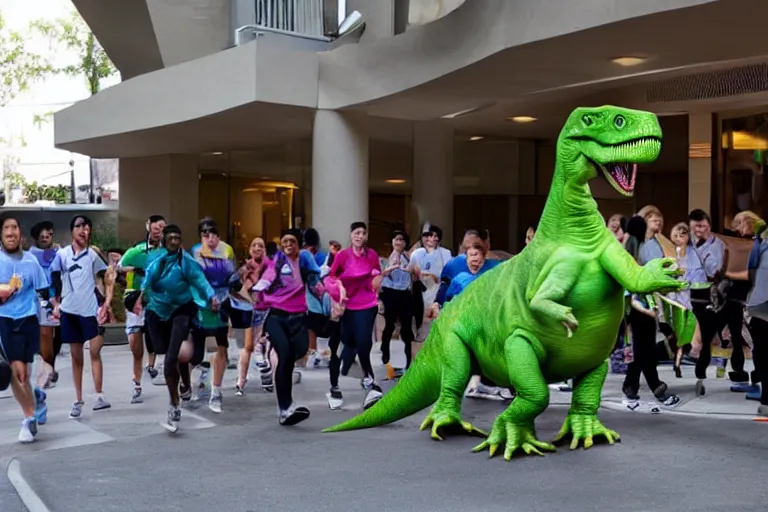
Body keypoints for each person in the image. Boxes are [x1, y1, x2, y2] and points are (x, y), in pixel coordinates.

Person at [140, 224, 217, 432]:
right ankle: (180, 385)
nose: (175, 241)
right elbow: (147, 280)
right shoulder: (157, 259)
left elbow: (200, 281)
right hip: (157, 311)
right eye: (171, 238)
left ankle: (174, 404)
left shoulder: (187, 262)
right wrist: (140, 297)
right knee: (161, 349)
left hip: (181, 311)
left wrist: (212, 296)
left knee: (170, 359)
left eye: (178, 237)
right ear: (164, 240)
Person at [253, 229, 323, 425]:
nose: (288, 245)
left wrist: (323, 293)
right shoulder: (278, 260)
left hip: (298, 316)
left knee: (296, 354)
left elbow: (314, 278)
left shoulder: (305, 259)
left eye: (292, 241)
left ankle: (286, 405)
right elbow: (269, 274)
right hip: (275, 315)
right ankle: (285, 407)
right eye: (284, 242)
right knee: (283, 356)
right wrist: (260, 286)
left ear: (298, 243)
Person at [51, 215, 115, 419]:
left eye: (86, 226)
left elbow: (108, 276)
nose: (82, 229)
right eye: (78, 226)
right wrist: (55, 303)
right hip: (69, 312)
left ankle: (99, 395)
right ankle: (78, 399)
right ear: (72, 231)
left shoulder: (93, 255)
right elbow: (52, 279)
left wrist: (106, 303)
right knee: (76, 357)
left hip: (90, 311)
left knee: (95, 351)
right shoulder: (62, 255)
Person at [0, 215, 50, 443]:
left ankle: (37, 397)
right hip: (5, 321)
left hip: (29, 319)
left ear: (20, 233)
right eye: (6, 228)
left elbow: (43, 292)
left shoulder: (31, 261)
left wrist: (53, 308)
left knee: (25, 373)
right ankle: (29, 420)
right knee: (17, 373)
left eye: (14, 228)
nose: (11, 232)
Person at [325, 222, 384, 410]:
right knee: (347, 341)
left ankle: (370, 381)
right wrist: (339, 291)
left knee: (364, 342)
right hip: (347, 304)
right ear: (351, 235)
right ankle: (341, 375)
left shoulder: (372, 255)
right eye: (356, 233)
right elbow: (332, 276)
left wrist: (378, 290)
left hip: (366, 303)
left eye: (362, 233)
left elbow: (376, 275)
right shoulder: (343, 256)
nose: (359, 236)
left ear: (366, 236)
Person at [118, 214, 166, 403]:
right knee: (135, 345)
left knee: (157, 336)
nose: (158, 232)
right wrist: (134, 270)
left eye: (162, 228)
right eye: (155, 228)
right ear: (148, 227)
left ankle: (154, 366)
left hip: (157, 299)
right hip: (135, 299)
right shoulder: (136, 251)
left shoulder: (167, 252)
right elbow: (119, 267)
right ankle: (136, 382)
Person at [190, 217, 237, 413]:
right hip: (201, 303)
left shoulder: (227, 250)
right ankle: (193, 381)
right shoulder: (194, 252)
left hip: (223, 301)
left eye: (213, 233)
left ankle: (216, 391)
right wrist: (205, 298)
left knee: (221, 346)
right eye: (205, 234)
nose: (210, 238)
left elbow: (233, 276)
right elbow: (193, 277)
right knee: (196, 352)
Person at [27, 221, 62, 389]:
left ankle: (50, 366)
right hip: (42, 298)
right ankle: (48, 369)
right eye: (42, 238)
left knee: (59, 335)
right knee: (46, 334)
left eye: (47, 236)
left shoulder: (60, 252)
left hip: (62, 297)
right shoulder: (31, 255)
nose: (45, 239)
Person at [379, 230, 415, 376]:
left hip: (405, 294)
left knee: (407, 327)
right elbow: (380, 276)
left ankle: (408, 361)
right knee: (389, 324)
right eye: (396, 239)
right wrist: (389, 268)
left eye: (402, 240)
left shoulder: (408, 258)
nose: (399, 242)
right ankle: (385, 352)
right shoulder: (385, 259)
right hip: (390, 293)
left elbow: (414, 274)